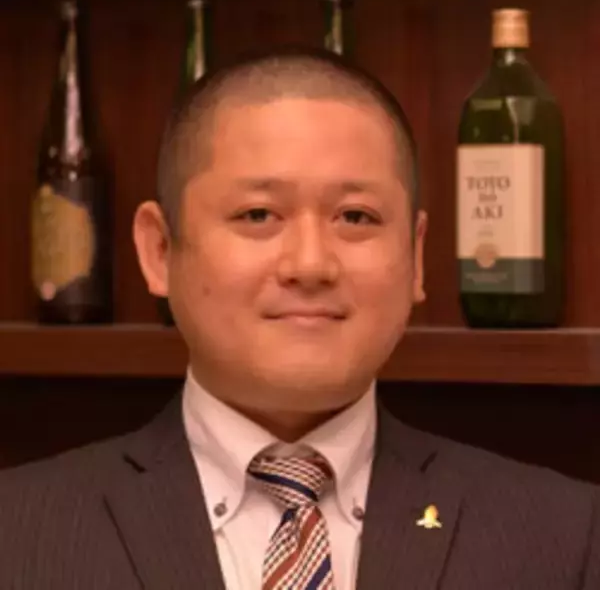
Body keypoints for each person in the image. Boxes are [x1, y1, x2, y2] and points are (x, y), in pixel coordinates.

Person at [0, 47, 599, 590]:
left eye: (356, 217)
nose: (310, 265)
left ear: (416, 258)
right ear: (159, 251)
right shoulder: (21, 530)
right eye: (259, 215)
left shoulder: (565, 536)